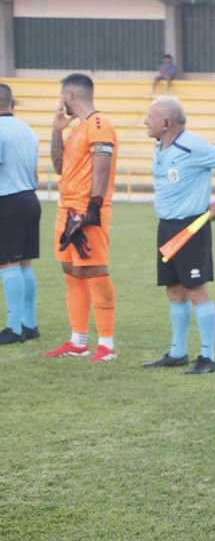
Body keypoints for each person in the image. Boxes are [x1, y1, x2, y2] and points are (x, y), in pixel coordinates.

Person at [140, 97, 215, 375]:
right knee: (174, 290)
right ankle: (178, 352)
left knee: (196, 290)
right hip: (166, 227)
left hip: (191, 228)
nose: (145, 122)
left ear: (166, 123)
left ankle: (208, 357)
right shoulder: (159, 147)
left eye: (149, 117)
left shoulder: (193, 145)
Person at [42, 74, 118, 362]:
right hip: (66, 210)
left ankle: (107, 345)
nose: (62, 103)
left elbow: (102, 167)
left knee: (95, 271)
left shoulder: (99, 124)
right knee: (72, 273)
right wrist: (56, 132)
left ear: (70, 95)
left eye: (63, 97)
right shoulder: (76, 129)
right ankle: (79, 340)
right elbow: (60, 167)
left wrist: (93, 210)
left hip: (86, 212)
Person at [0, 83, 41, 345]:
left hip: (8, 200)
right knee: (24, 262)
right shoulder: (27, 130)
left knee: (7, 263)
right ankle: (29, 323)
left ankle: (13, 328)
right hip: (29, 198)